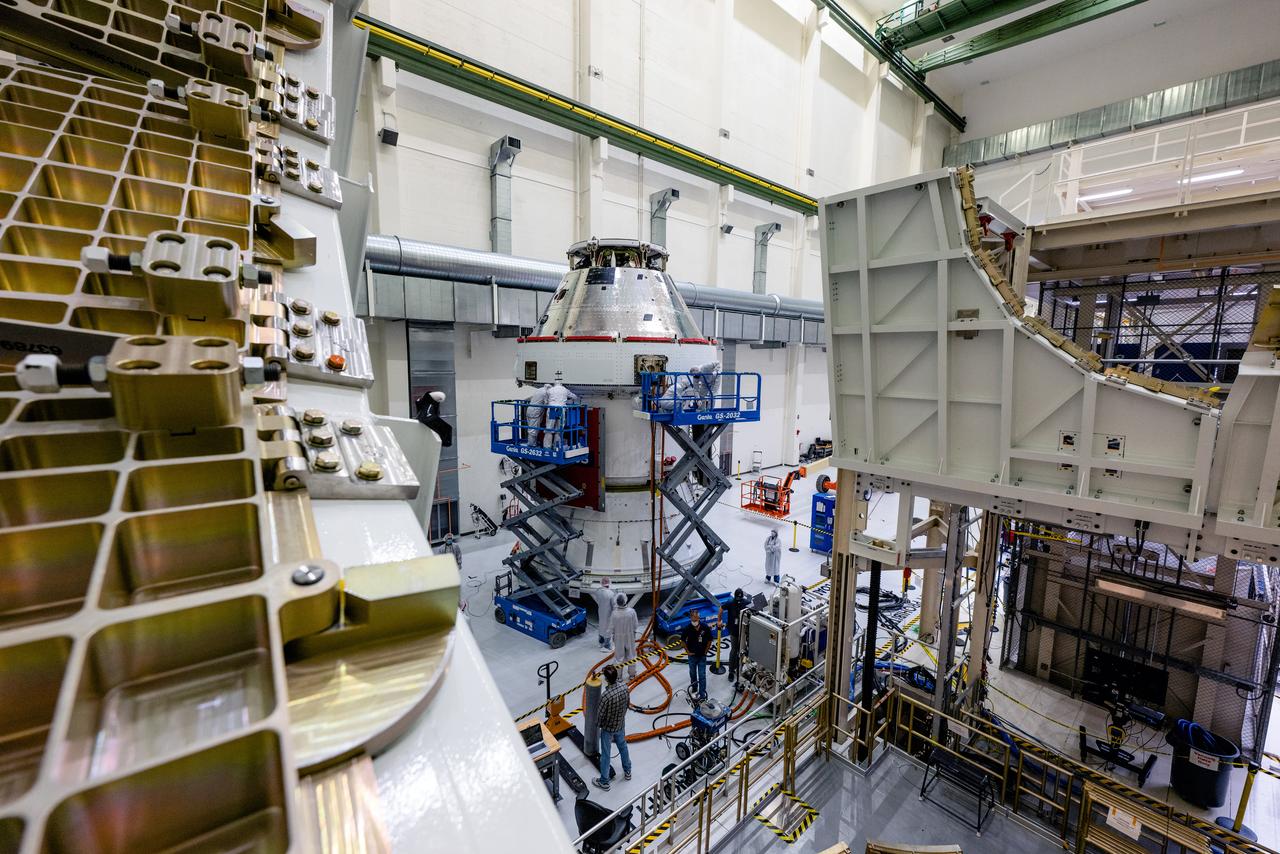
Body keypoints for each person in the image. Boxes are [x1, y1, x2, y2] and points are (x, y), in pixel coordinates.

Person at [592, 664, 632, 790]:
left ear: (607, 679)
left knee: (606, 754)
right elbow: (627, 704)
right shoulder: (625, 687)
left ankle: (604, 781)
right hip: (620, 725)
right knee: (623, 747)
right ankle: (627, 771)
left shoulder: (606, 696)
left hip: (608, 729)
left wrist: (598, 726)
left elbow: (599, 716)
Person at [681, 610, 712, 701]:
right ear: (690, 618)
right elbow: (682, 640)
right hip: (692, 656)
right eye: (692, 619)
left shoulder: (705, 627)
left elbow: (710, 639)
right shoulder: (687, 628)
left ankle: (702, 693)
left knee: (702, 675)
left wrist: (706, 651)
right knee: (693, 673)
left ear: (699, 618)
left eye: (696, 619)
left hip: (702, 656)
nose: (694, 621)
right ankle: (694, 687)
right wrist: (687, 651)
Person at [723, 588, 750, 683]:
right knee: (734, 650)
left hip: (743, 631)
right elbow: (721, 609)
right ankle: (731, 671)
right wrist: (719, 620)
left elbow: (755, 608)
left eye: (740, 598)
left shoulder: (746, 602)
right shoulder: (730, 602)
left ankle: (740, 667)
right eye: (737, 599)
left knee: (743, 650)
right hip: (734, 631)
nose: (739, 601)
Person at [542, 380, 580, 448]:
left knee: (549, 428)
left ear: (554, 384)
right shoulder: (565, 390)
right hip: (561, 410)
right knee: (559, 429)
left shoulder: (550, 390)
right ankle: (556, 446)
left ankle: (547, 447)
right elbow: (574, 396)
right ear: (561, 384)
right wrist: (567, 398)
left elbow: (545, 401)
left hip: (552, 409)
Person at [610, 593, 639, 679]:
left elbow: (612, 627)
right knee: (631, 655)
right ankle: (632, 675)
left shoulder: (614, 613)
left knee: (619, 657)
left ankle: (619, 677)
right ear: (625, 600)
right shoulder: (632, 612)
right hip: (630, 637)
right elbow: (635, 625)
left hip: (618, 638)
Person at [590, 578, 615, 651]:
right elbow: (613, 605)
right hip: (608, 614)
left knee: (601, 627)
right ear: (609, 583)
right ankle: (607, 647)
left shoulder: (598, 591)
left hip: (601, 612)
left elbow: (598, 600)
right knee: (608, 629)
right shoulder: (610, 593)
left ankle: (601, 643)